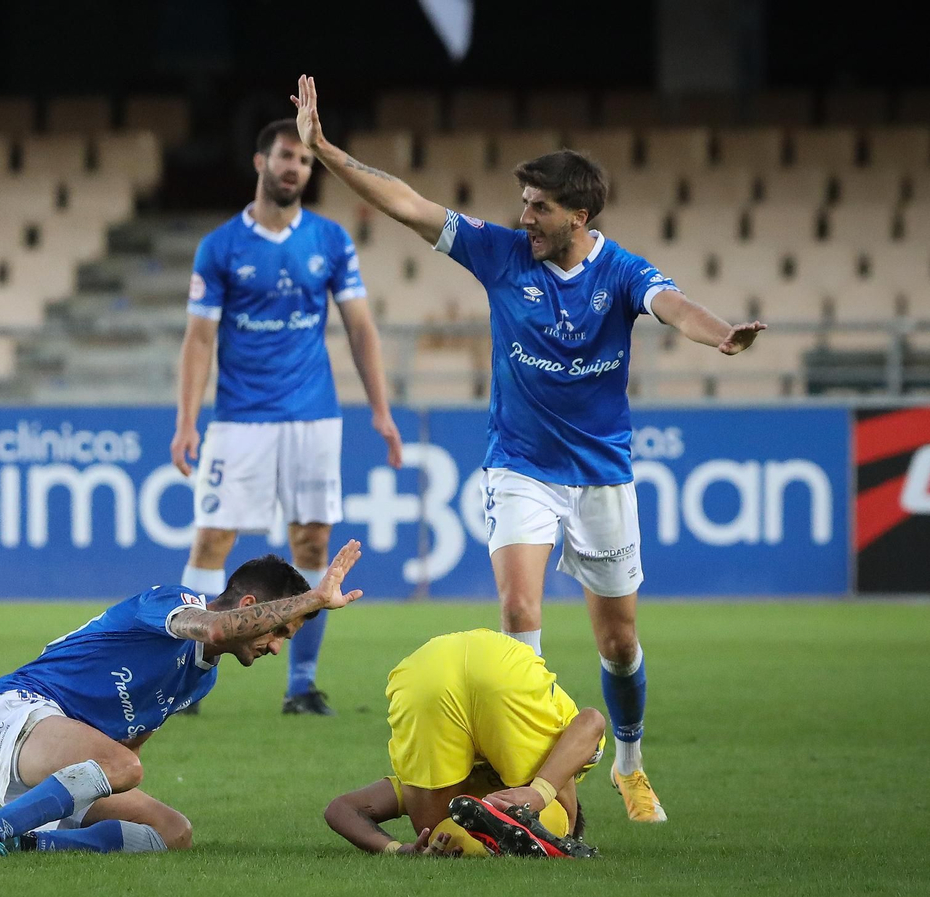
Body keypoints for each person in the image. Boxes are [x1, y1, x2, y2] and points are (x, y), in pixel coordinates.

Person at [291, 75, 766, 822]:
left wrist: (723, 333)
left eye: (539, 208)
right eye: (523, 205)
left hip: (601, 474)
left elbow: (672, 305)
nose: (525, 218)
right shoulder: (502, 254)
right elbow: (411, 205)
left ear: (580, 215)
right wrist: (326, 151)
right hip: (520, 465)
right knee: (519, 611)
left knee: (618, 643)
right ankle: (535, 780)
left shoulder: (621, 271)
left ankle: (631, 764)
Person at [171, 118, 403, 718]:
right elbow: (199, 340)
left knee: (311, 539)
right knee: (214, 538)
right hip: (240, 420)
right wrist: (187, 420)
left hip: (313, 418)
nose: (294, 167)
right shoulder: (221, 246)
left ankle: (300, 684)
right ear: (260, 163)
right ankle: (187, 676)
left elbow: (359, 326)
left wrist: (380, 409)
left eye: (303, 160)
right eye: (284, 156)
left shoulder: (330, 240)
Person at [0, 541, 366, 856]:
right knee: (124, 767)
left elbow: (127, 743)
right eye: (278, 632)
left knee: (173, 831)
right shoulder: (172, 601)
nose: (275, 648)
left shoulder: (201, 681)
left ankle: (29, 844)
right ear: (249, 606)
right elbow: (214, 629)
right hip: (15, 714)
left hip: (59, 764)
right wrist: (310, 599)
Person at [323, 629, 604, 859]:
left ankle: (497, 839)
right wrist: (540, 792)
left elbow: (340, 809)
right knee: (561, 809)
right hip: (500, 671)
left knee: (436, 833)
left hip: (423, 672)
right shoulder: (558, 756)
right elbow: (592, 721)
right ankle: (544, 836)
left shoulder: (416, 786)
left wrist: (396, 849)